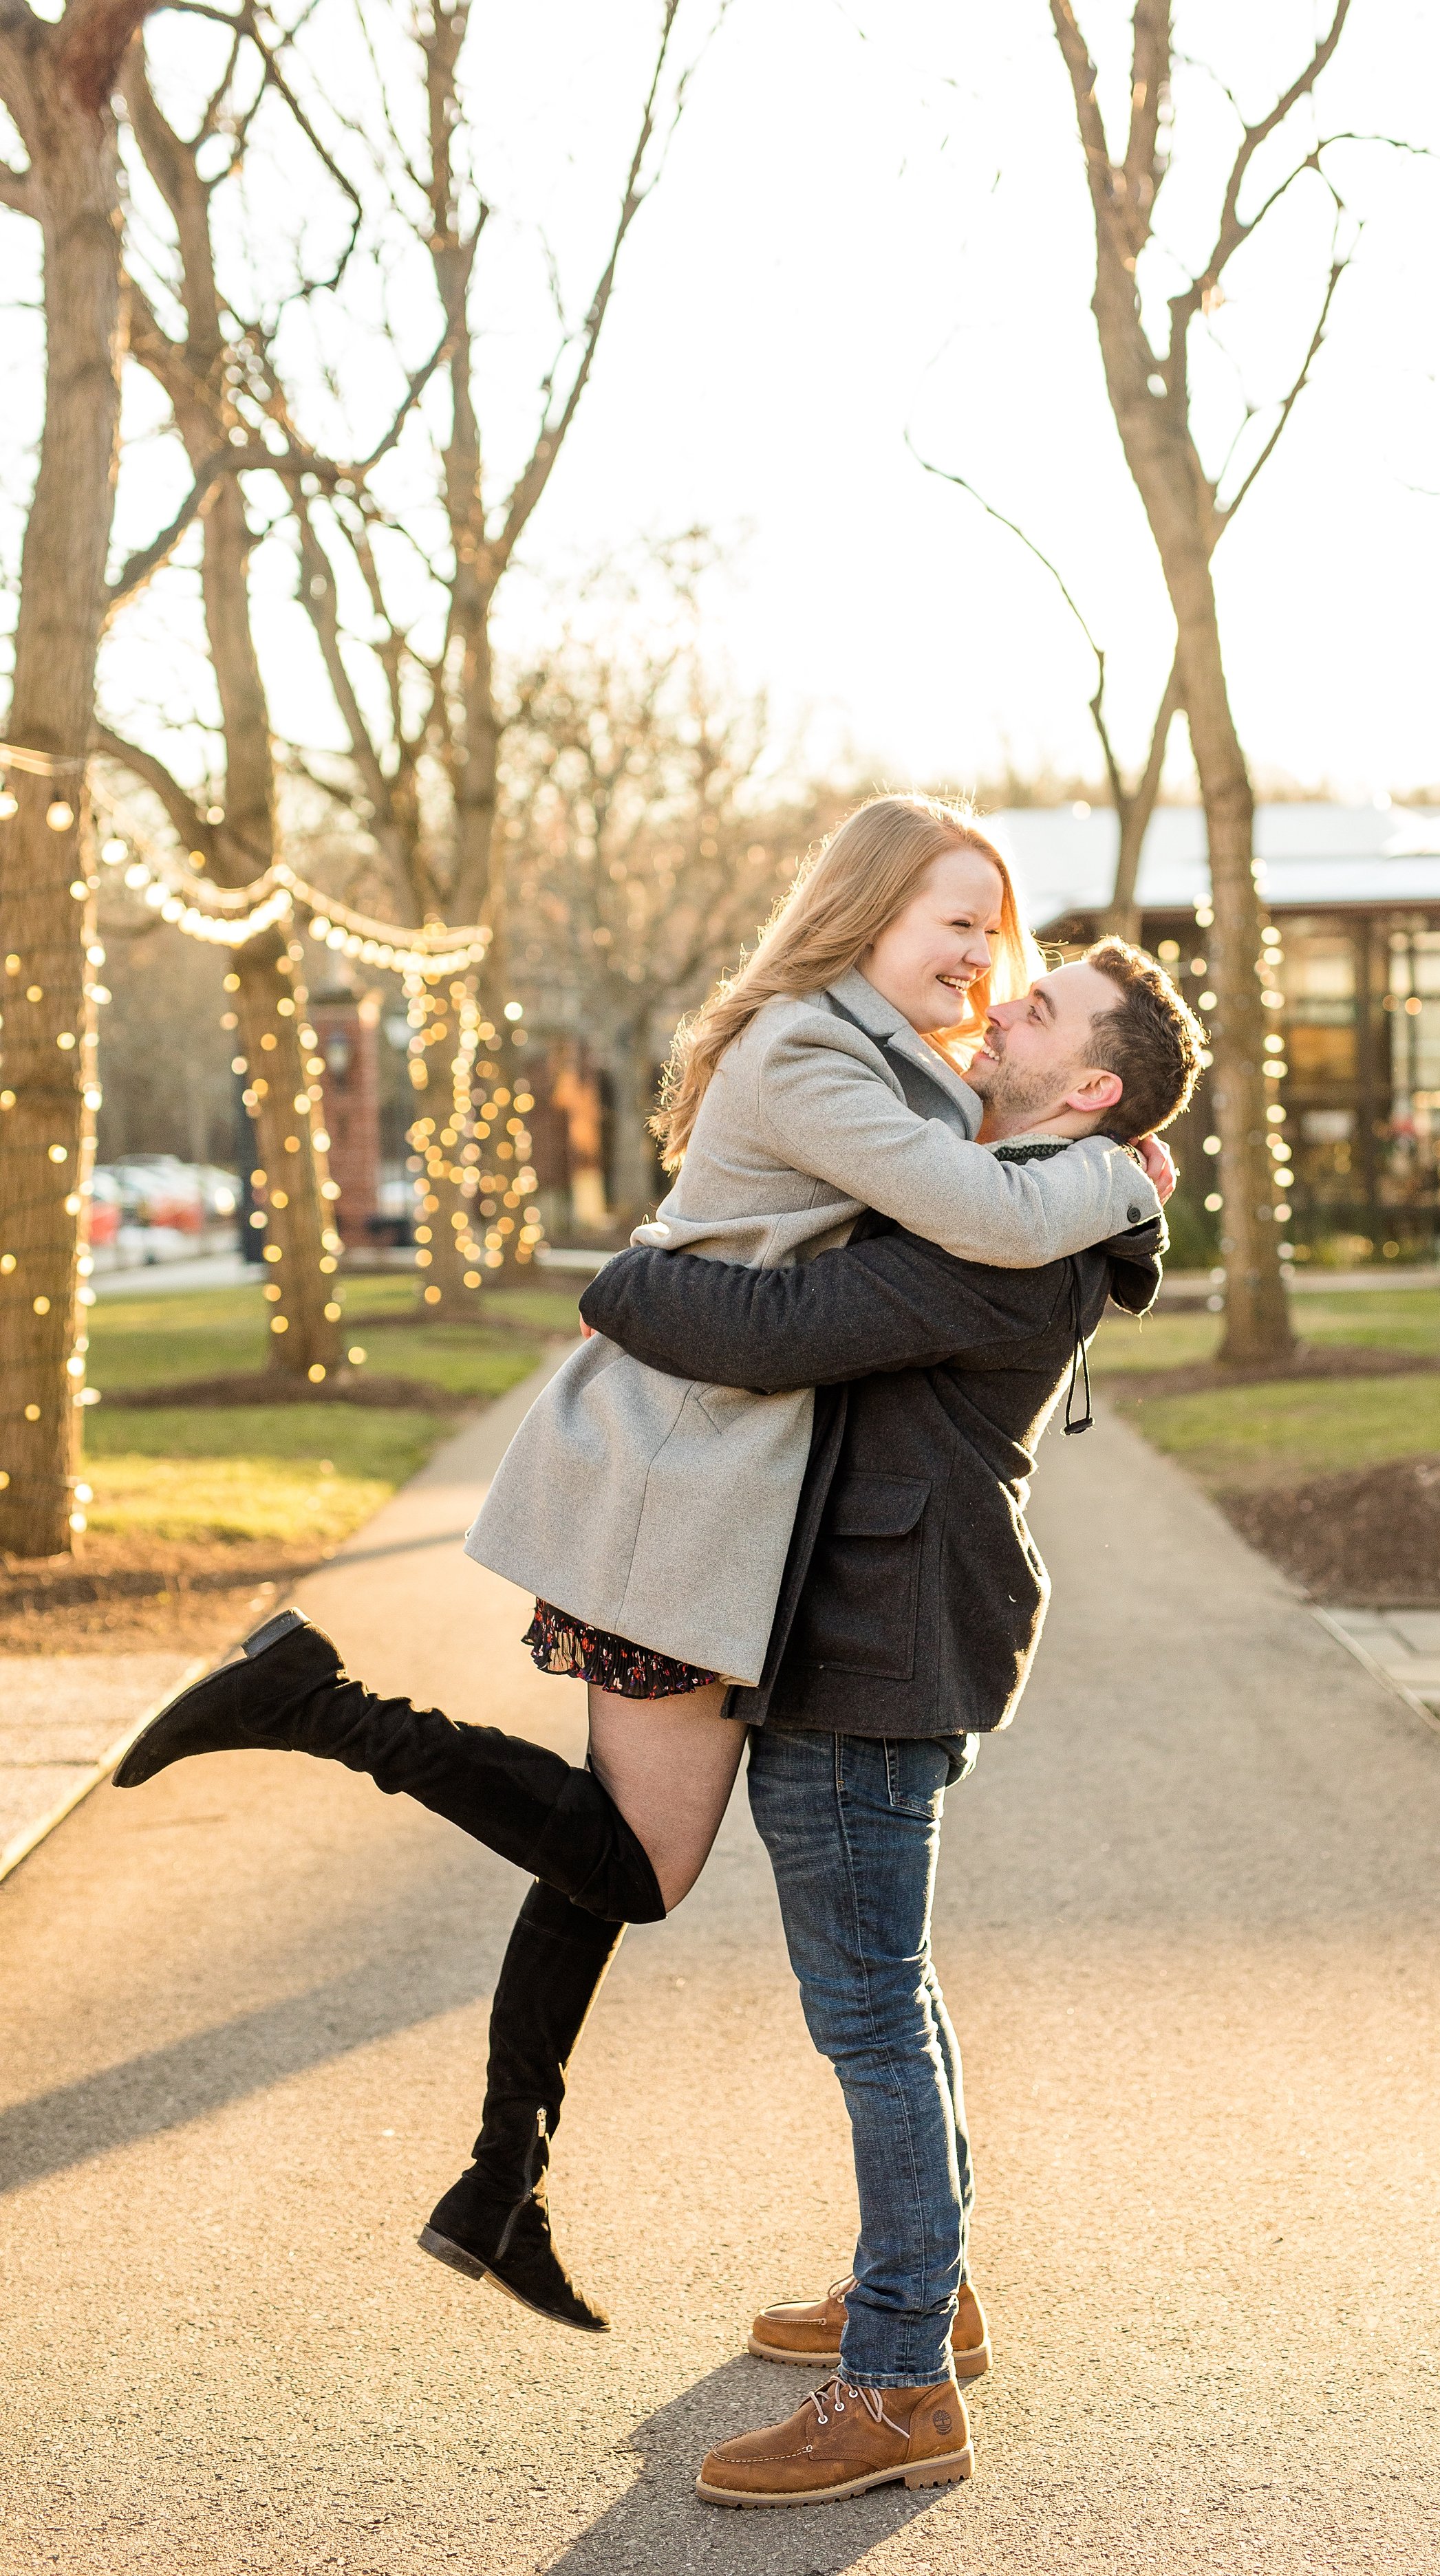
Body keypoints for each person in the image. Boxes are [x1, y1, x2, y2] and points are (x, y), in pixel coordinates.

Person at [112, 798, 1163, 2330]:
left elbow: (965, 1201)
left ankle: (500, 2181)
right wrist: (1132, 1177)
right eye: (955, 921)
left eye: (992, 936)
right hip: (686, 1477)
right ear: (867, 909)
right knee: (634, 1862)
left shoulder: (886, 1056)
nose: (979, 961)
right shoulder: (813, 1049)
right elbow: (972, 1216)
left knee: (604, 1842)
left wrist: (1097, 1150)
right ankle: (315, 1704)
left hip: (725, 1484)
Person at [574, 934, 1201, 2505]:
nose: (1003, 1007)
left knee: (864, 2012)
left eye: (1038, 1010)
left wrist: (627, 1275)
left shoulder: (1005, 1240)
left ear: (1093, 1087)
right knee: (888, 1996)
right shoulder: (1001, 1198)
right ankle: (917, 2287)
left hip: (876, 1644)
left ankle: (902, 2383)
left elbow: (772, 1330)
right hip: (881, 1627)